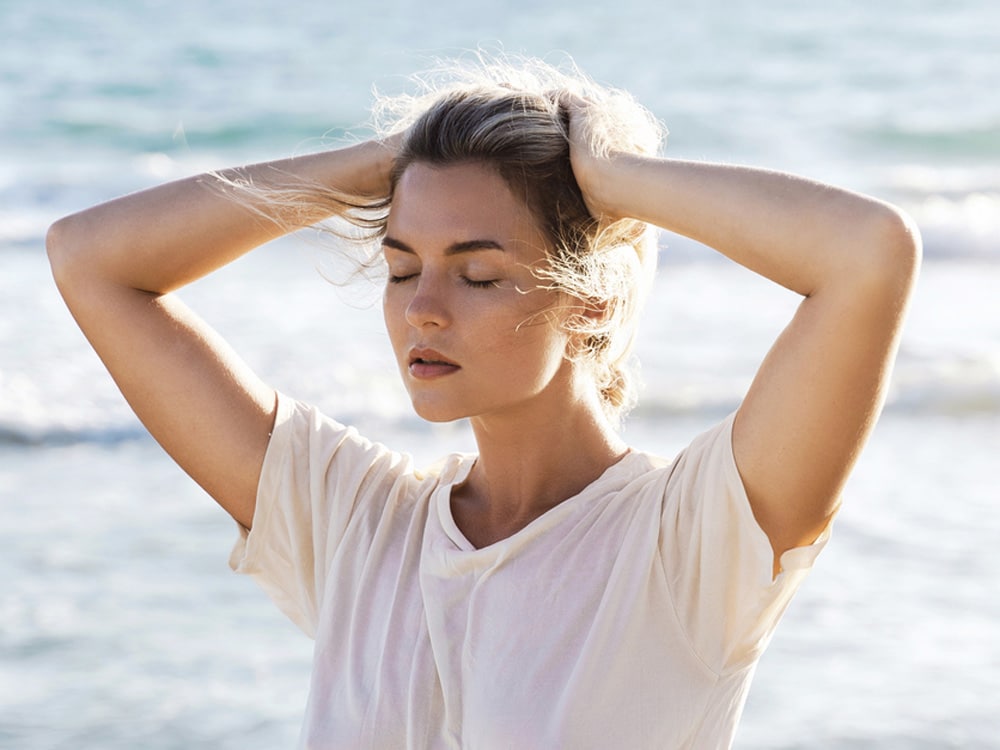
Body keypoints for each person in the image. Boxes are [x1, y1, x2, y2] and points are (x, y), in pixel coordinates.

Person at [46, 55, 920, 748]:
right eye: (399, 267)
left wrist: (608, 179)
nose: (422, 308)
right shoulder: (358, 523)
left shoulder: (692, 544)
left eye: (478, 273)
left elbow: (866, 253)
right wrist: (382, 165)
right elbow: (90, 258)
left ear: (593, 303)